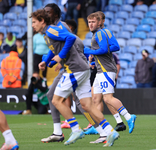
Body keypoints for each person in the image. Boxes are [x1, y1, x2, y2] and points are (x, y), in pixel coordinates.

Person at [31, 9, 119, 147]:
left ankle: (76, 129)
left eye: (34, 22)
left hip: (74, 69)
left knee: (56, 100)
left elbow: (71, 38)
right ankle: (109, 131)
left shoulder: (50, 30)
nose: (32, 25)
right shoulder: (47, 34)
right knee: (87, 105)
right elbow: (56, 49)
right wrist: (48, 61)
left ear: (42, 21)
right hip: (81, 68)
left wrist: (59, 57)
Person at [84, 13, 136, 136]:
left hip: (106, 69)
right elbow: (111, 47)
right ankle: (99, 127)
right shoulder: (101, 33)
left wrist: (89, 51)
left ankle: (129, 117)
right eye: (89, 22)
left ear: (99, 22)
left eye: (93, 21)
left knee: (108, 98)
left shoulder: (101, 33)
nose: (91, 24)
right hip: (100, 69)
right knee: (96, 98)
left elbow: (104, 49)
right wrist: (93, 58)